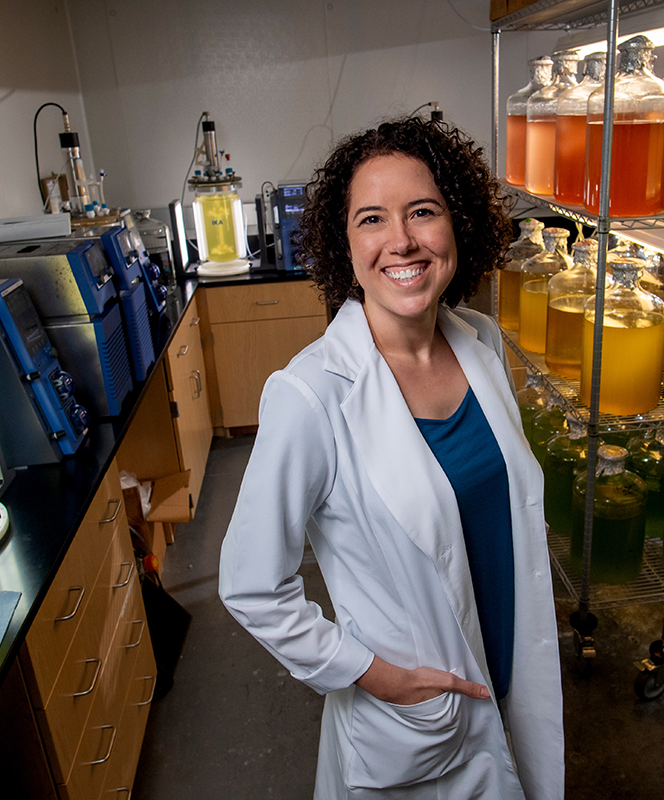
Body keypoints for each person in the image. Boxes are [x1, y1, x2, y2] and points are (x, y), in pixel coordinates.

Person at [218, 117, 564, 798]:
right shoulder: (311, 394)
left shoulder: (481, 342)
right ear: (345, 247)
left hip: (512, 658)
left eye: (423, 212)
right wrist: (373, 674)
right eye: (372, 219)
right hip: (419, 715)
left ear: (456, 225)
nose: (401, 240)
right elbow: (252, 585)